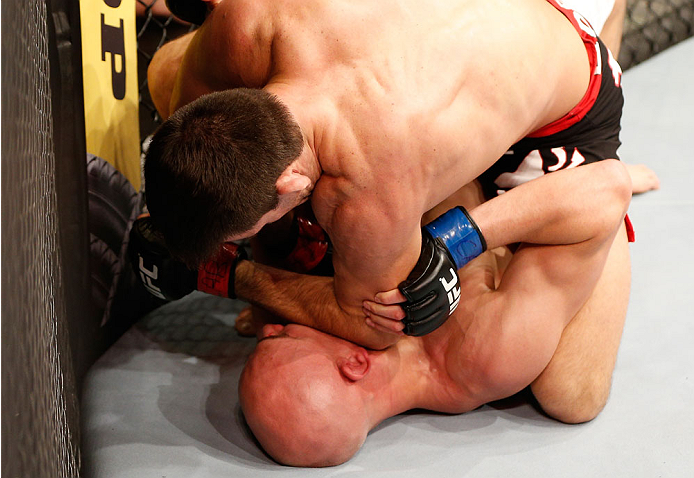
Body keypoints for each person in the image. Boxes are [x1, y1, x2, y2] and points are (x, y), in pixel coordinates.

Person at [140, 0, 643, 349]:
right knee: (167, 71)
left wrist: (230, 275)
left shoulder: (365, 195)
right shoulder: (248, 21)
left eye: (239, 235)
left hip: (567, 104)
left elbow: (369, 322)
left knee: (568, 392)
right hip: (478, 44)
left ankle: (601, 197)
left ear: (292, 186)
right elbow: (196, 108)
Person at [237, 161, 631, 466]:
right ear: (356, 364)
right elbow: (608, 186)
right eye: (283, 336)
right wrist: (454, 242)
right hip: (555, 159)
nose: (272, 326)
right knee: (573, 395)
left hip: (458, 126)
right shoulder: (490, 353)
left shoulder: (362, 324)